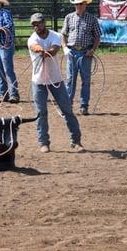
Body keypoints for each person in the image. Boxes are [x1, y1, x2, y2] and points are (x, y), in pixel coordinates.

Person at [28, 13, 83, 153]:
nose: (36, 27)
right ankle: (43, 142)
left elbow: (54, 50)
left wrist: (45, 51)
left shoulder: (55, 36)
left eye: (38, 23)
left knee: (67, 110)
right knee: (41, 112)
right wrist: (41, 50)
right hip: (39, 81)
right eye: (34, 24)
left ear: (44, 23)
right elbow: (34, 47)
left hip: (56, 79)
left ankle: (76, 141)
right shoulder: (32, 39)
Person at [61, 0, 101, 115]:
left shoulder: (92, 18)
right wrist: (64, 48)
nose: (78, 6)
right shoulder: (69, 17)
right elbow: (63, 34)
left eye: (80, 4)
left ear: (85, 5)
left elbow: (97, 35)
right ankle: (68, 106)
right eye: (76, 4)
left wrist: (92, 49)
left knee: (85, 80)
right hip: (72, 51)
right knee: (70, 80)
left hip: (85, 53)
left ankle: (84, 106)